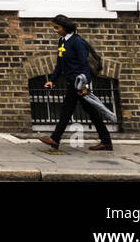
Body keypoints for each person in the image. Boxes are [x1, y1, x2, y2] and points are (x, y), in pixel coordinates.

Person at [39, 14, 112, 151]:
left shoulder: (77, 42)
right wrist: (52, 80)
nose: (55, 30)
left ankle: (55, 139)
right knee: (91, 112)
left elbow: (84, 64)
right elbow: (60, 64)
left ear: (65, 27)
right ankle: (106, 141)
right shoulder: (62, 41)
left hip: (78, 83)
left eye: (57, 28)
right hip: (72, 82)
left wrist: (85, 84)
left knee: (67, 111)